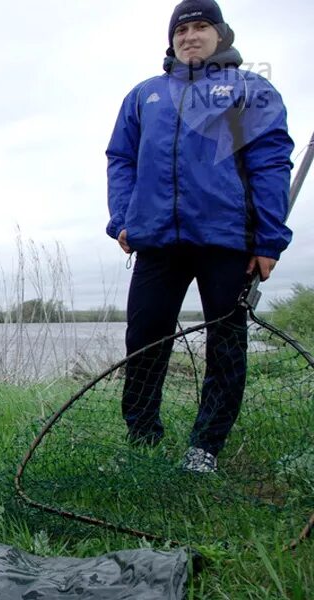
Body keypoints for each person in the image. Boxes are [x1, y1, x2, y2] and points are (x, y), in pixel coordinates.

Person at [105, 0, 294, 473]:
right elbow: (120, 158)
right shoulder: (143, 95)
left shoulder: (250, 90)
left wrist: (269, 240)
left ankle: (204, 448)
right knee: (145, 339)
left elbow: (271, 162)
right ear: (171, 39)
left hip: (227, 240)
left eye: (201, 27)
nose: (190, 35)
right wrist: (123, 219)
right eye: (181, 29)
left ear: (221, 35)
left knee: (226, 345)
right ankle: (143, 438)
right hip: (155, 241)